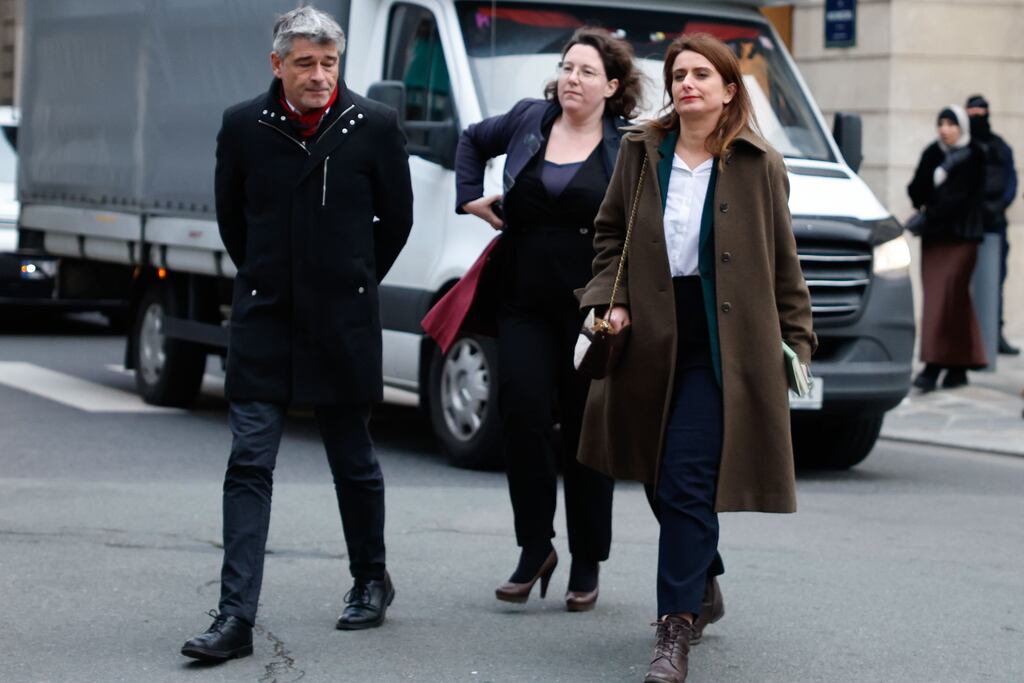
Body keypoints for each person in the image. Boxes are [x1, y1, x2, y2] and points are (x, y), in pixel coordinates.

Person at [575, 34, 815, 682]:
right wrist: (611, 298)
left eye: (702, 75)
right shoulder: (639, 151)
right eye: (679, 74)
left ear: (729, 89)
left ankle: (673, 628)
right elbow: (611, 234)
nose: (687, 84)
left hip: (724, 344)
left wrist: (797, 339)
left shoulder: (759, 164)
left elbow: (783, 264)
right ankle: (703, 578)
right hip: (651, 334)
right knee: (660, 476)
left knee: (685, 477)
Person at [180, 6, 412, 661]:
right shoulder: (243, 127)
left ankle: (371, 577)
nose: (318, 75)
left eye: (329, 62)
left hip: (343, 321)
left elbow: (394, 222)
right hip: (264, 318)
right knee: (248, 463)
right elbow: (234, 221)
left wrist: (353, 276)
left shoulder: (374, 126)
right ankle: (235, 618)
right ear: (277, 63)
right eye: (305, 63)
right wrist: (267, 274)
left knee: (353, 461)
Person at [454, 27, 643, 611]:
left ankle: (587, 560)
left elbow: (641, 227)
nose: (572, 79)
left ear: (611, 86)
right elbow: (469, 139)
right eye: (566, 67)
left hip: (590, 310)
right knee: (522, 416)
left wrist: (625, 299)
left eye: (587, 71)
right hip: (522, 300)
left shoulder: (627, 145)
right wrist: (470, 196)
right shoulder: (528, 120)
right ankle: (534, 546)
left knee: (588, 434)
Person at [908, 105, 988, 392]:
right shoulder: (933, 153)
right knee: (948, 302)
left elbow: (964, 199)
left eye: (951, 123)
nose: (945, 129)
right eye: (941, 123)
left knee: (944, 300)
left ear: (962, 127)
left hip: (961, 239)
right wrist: (930, 191)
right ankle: (958, 365)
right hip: (934, 240)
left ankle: (933, 364)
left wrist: (934, 206)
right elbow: (915, 189)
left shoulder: (976, 155)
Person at [965, 94, 1019, 356]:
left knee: (995, 280)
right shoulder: (965, 149)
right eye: (971, 114)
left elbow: (1011, 183)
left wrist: (997, 207)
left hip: (995, 225)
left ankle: (994, 333)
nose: (976, 118)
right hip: (967, 225)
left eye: (980, 113)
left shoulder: (1000, 147)